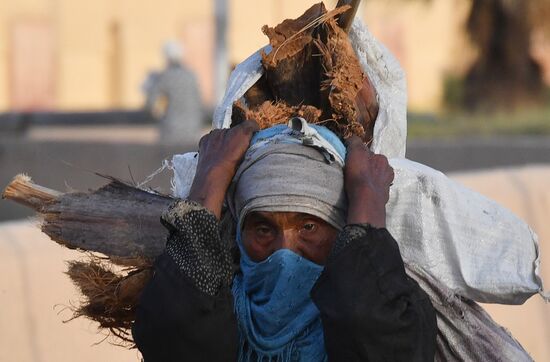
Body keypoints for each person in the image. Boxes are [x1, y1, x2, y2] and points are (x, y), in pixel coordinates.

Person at [132, 117, 437, 361]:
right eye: (263, 230)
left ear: (346, 232)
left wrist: (367, 195)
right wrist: (212, 176)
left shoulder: (395, 313)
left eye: (309, 227)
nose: (284, 252)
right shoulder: (214, 307)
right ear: (240, 234)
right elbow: (173, 326)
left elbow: (376, 331)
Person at [143, 40, 203, 145]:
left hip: (171, 131)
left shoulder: (165, 76)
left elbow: (150, 102)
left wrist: (159, 115)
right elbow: (199, 102)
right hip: (193, 130)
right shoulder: (191, 76)